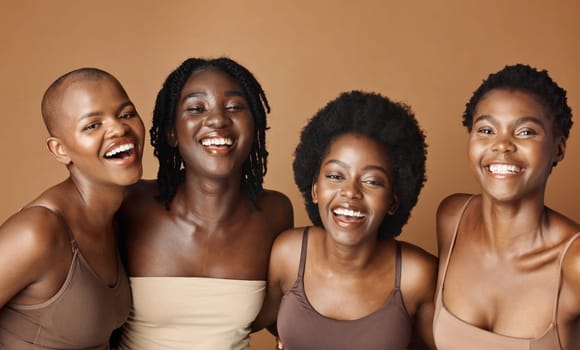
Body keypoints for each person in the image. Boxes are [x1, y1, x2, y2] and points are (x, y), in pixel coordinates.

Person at [116, 57, 293, 350]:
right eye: (196, 109)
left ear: (255, 126)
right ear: (171, 132)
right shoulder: (130, 204)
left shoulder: (274, 213)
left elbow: (276, 312)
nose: (217, 120)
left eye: (235, 107)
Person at [253, 91, 437, 349]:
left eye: (372, 181)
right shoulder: (288, 254)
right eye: (336, 176)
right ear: (315, 188)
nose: (351, 192)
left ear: (393, 200)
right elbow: (243, 323)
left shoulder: (416, 275)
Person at [433, 64, 580, 350]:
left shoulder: (574, 263)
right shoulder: (452, 218)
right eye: (486, 129)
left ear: (558, 149)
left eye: (525, 132)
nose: (502, 145)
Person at [0, 68, 144, 349]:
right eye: (92, 125)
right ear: (59, 150)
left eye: (126, 114)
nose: (118, 128)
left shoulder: (116, 221)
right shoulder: (37, 231)